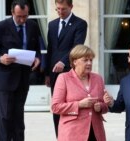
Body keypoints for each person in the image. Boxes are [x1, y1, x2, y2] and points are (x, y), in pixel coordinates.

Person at [0, 0, 41, 141]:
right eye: (19, 16)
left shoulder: (32, 26)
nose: (22, 20)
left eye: (25, 16)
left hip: (23, 79)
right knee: (5, 118)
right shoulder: (1, 27)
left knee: (18, 118)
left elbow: (36, 48)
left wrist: (38, 58)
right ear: (12, 13)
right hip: (5, 80)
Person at [45, 0, 88, 137]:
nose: (60, 12)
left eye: (63, 9)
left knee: (70, 106)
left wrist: (63, 62)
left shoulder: (80, 24)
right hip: (54, 74)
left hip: (70, 72)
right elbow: (50, 50)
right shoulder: (52, 25)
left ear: (71, 7)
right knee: (57, 106)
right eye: (58, 9)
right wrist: (47, 74)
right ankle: (60, 136)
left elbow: (76, 47)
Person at [51, 45, 108, 141]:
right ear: (74, 61)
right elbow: (55, 107)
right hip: (72, 133)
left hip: (96, 133)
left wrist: (101, 107)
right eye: (85, 60)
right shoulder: (63, 78)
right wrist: (79, 105)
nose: (89, 63)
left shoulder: (98, 78)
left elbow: (105, 106)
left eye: (91, 60)